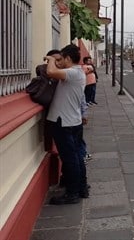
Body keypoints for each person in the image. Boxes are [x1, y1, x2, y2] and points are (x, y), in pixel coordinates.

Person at [45, 44, 88, 205]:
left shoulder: (72, 73)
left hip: (64, 122)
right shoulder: (77, 73)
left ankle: (72, 193)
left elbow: (51, 72)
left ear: (69, 59)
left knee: (70, 159)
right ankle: (81, 188)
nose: (59, 61)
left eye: (61, 59)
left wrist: (50, 59)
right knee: (76, 156)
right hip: (72, 121)